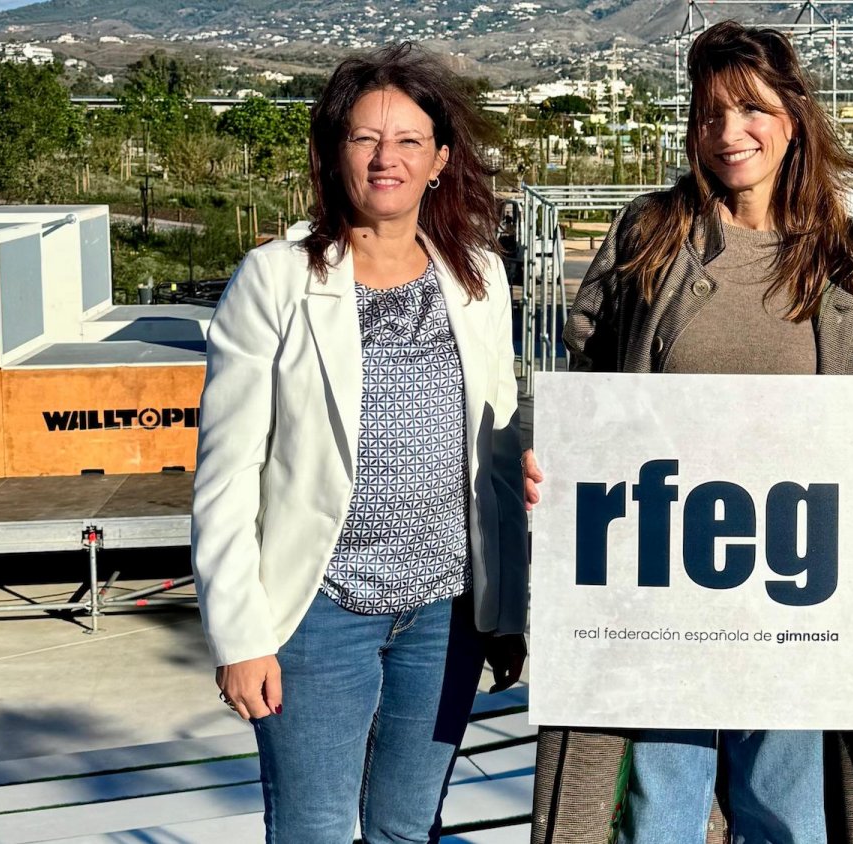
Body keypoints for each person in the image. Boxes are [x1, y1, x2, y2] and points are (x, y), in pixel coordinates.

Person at [526, 20, 853, 844]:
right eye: (709, 115)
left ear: (794, 118)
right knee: (663, 808)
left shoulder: (842, 257)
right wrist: (543, 445)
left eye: (752, 109)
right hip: (665, 578)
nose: (730, 134)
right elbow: (580, 381)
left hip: (790, 581)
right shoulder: (649, 235)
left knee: (790, 813)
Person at [190, 43, 528, 844]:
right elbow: (227, 473)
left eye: (410, 140)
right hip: (316, 612)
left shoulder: (478, 275)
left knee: (409, 828)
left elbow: (500, 457)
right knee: (311, 829)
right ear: (333, 152)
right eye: (364, 139)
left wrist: (506, 610)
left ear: (441, 159)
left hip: (449, 612)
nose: (387, 158)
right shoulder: (275, 279)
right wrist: (240, 638)